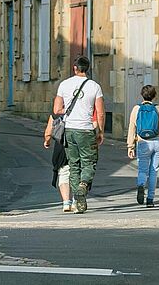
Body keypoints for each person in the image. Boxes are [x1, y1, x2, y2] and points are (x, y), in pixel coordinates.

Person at [53, 56, 105, 214]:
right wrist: (100, 131)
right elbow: (101, 113)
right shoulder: (95, 86)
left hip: (69, 129)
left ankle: (78, 202)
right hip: (86, 129)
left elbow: (56, 110)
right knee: (89, 162)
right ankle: (83, 185)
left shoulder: (64, 85)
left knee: (74, 165)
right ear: (87, 68)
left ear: (75, 68)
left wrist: (69, 111)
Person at [127, 85, 159, 208]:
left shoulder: (136, 109)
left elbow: (132, 128)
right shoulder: (158, 108)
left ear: (142, 95)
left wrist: (130, 146)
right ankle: (150, 199)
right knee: (154, 171)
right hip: (158, 142)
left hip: (143, 143)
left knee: (142, 170)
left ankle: (141, 184)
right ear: (154, 96)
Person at [44, 113, 73, 212]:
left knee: (64, 171)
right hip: (79, 141)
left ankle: (66, 202)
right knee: (78, 170)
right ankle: (77, 200)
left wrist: (47, 141)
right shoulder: (82, 105)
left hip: (61, 143)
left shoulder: (57, 111)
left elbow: (49, 130)